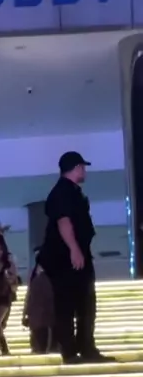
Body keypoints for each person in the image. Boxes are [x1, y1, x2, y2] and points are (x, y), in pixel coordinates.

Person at [38, 152, 114, 365]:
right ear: (76, 167)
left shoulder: (70, 191)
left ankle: (85, 347)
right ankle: (71, 351)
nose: (85, 171)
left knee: (84, 303)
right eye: (82, 167)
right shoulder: (62, 192)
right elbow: (64, 222)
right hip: (65, 259)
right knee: (68, 304)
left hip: (74, 255)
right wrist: (74, 249)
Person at [23, 260, 55, 354]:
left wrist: (25, 313)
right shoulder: (47, 279)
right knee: (41, 338)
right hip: (41, 316)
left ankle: (38, 349)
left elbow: (29, 298)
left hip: (38, 316)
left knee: (38, 337)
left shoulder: (38, 279)